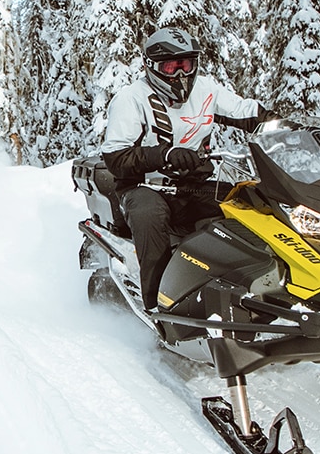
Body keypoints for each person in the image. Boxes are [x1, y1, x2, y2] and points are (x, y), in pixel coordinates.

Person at [99, 27, 277, 311]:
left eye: (186, 65)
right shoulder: (132, 98)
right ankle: (158, 309)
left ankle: (261, 290)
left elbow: (245, 111)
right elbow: (116, 156)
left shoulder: (206, 90)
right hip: (145, 188)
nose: (180, 75)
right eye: (171, 66)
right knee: (149, 217)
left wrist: (280, 124)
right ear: (152, 67)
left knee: (251, 205)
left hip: (193, 186)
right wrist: (164, 154)